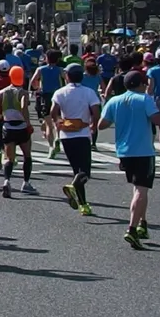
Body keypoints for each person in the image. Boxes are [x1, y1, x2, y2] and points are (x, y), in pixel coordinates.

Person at [100, 71, 160, 249]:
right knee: (141, 190)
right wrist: (157, 107)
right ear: (141, 84)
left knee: (139, 189)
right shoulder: (145, 99)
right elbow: (157, 120)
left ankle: (143, 224)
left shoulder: (115, 101)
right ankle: (132, 229)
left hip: (124, 151)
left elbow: (101, 125)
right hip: (143, 150)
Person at [51, 63, 103, 218]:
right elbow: (96, 112)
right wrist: (94, 125)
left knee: (77, 171)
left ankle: (83, 204)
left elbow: (53, 112)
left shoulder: (60, 92)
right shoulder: (89, 92)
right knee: (85, 171)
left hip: (66, 135)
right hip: (83, 133)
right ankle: (74, 189)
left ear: (67, 76)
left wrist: (58, 122)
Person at [0, 66, 36, 197]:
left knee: (10, 158)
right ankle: (26, 183)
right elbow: (23, 107)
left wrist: (1, 117)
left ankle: (7, 181)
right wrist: (28, 123)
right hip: (21, 127)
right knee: (27, 156)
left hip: (8, 126)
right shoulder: (23, 93)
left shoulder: (2, 92)